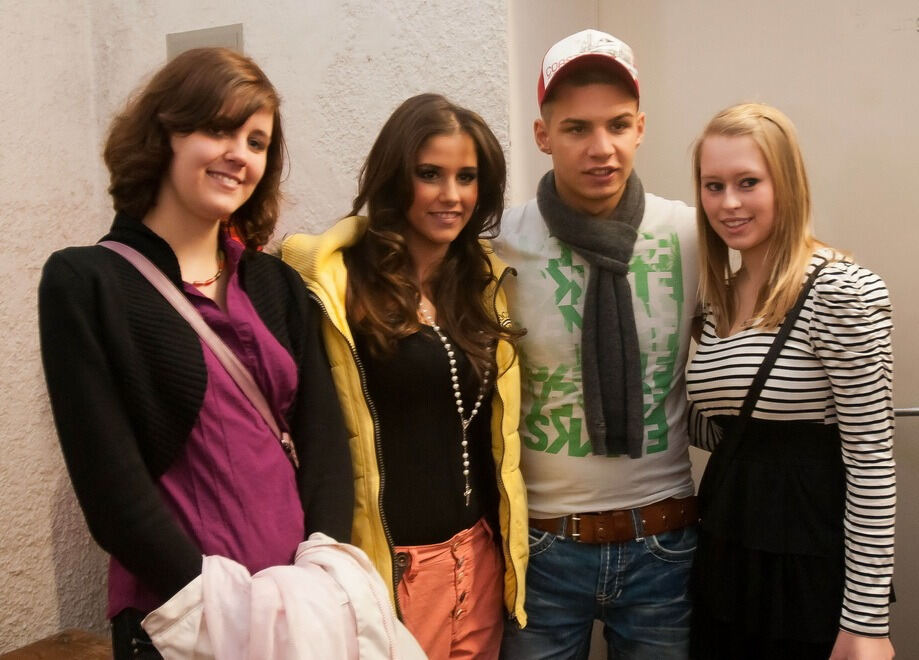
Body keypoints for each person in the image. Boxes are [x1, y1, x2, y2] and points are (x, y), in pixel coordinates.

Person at [38, 48, 352, 659]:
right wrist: (213, 602)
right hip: (182, 617)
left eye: (257, 141)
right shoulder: (88, 282)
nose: (240, 153)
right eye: (218, 128)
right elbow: (109, 487)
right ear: (165, 133)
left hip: (297, 611)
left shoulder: (276, 283)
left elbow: (324, 443)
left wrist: (318, 571)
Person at [281, 93, 528, 660]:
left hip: (480, 558)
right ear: (397, 179)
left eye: (467, 177)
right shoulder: (338, 284)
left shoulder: (480, 281)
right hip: (394, 570)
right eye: (430, 175)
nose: (452, 195)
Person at [493, 29, 700, 659]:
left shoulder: (691, 234)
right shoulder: (497, 241)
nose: (601, 148)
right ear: (542, 135)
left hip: (664, 543)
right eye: (577, 128)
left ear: (641, 127)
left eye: (616, 125)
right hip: (544, 549)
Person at [686, 102, 895, 659]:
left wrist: (867, 622)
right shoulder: (715, 300)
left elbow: (871, 457)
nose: (727, 203)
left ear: (787, 185)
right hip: (726, 545)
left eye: (747, 182)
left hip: (806, 560)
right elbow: (730, 434)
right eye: (713, 185)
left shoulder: (843, 291)